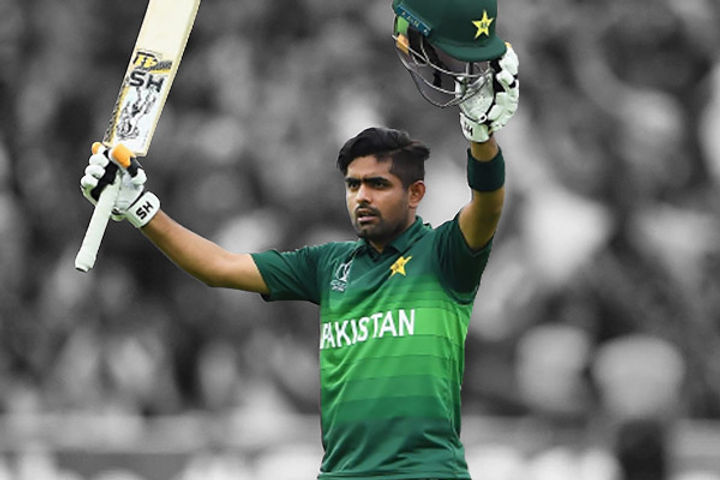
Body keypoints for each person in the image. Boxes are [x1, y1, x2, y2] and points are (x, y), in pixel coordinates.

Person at [79, 0, 519, 477]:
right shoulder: (328, 265)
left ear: (415, 194)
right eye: (353, 185)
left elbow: (488, 203)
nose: (362, 197)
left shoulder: (443, 257)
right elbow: (219, 267)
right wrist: (141, 208)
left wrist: (481, 135)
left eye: (378, 185)